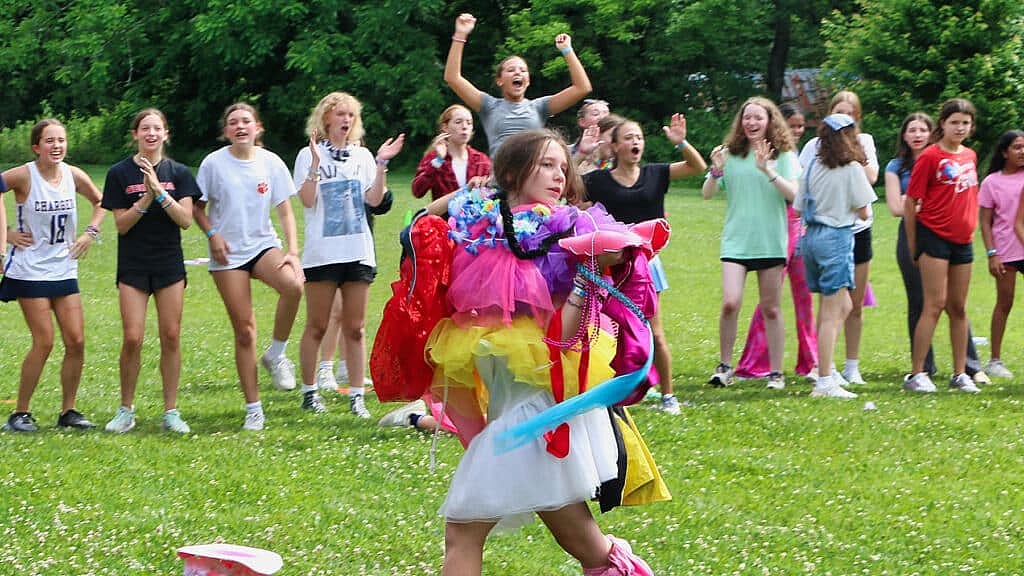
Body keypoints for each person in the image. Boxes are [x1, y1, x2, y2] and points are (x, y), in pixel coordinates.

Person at [379, 130, 663, 574]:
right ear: (512, 172)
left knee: (463, 530)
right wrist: (466, 194)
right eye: (546, 164)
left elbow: (561, 341)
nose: (559, 174)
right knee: (583, 542)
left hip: (537, 411)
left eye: (562, 166)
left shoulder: (568, 229)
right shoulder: (479, 226)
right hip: (514, 408)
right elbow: (415, 226)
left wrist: (585, 276)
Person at [583, 115, 707, 414]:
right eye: (627, 137)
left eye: (638, 137)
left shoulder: (655, 174)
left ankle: (668, 396)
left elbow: (697, 167)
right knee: (608, 330)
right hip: (611, 265)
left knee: (655, 331)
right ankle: (613, 393)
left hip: (646, 266)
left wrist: (681, 143)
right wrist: (583, 153)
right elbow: (568, 190)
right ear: (613, 146)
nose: (635, 142)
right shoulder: (598, 181)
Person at [292, 91, 404, 418]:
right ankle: (310, 391)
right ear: (326, 118)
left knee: (355, 328)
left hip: (358, 251)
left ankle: (357, 395)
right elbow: (308, 201)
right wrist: (314, 166)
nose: (345, 120)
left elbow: (373, 201)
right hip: (322, 254)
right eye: (339, 114)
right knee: (317, 324)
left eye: (351, 115)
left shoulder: (363, 157)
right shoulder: (307, 154)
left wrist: (381, 165)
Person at [193, 103, 304, 430]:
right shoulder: (213, 163)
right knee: (244, 332)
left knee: (294, 286)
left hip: (262, 245)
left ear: (258, 128)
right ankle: (254, 408)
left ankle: (276, 354)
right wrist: (212, 235)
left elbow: (285, 211)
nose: (240, 126)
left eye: (246, 121)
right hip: (228, 255)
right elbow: (198, 208)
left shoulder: (270, 162)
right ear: (226, 131)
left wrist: (293, 251)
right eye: (233, 123)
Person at [0, 118, 106, 432]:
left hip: (64, 267)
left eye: (60, 140)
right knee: (44, 341)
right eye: (49, 140)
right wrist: (6, 233)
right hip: (29, 269)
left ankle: (68, 411)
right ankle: (20, 414)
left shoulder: (73, 174)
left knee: (76, 341)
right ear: (36, 147)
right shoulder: (23, 175)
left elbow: (101, 201)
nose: (56, 146)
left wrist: (90, 232)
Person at [101, 108, 201, 434]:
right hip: (133, 265)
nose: (151, 134)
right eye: (145, 129)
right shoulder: (119, 173)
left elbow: (186, 221)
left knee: (171, 336)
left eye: (157, 128)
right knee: (133, 338)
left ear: (165, 133)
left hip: (168, 263)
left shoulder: (180, 172)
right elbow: (121, 225)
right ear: (135, 134)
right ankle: (125, 409)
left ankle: (171, 411)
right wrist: (145, 196)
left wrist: (160, 190)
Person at [702, 97, 799, 389]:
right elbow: (707, 193)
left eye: (758, 118)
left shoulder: (783, 155)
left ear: (770, 121)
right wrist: (716, 171)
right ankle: (724, 367)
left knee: (771, 308)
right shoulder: (729, 154)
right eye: (747, 118)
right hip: (736, 242)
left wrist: (767, 169)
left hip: (769, 241)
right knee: (730, 303)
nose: (752, 123)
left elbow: (794, 195)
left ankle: (776, 373)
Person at [885, 112, 988, 386]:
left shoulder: (970, 155)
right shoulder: (930, 157)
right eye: (954, 122)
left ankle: (960, 374)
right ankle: (917, 373)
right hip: (933, 237)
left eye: (965, 123)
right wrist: (912, 243)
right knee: (933, 304)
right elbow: (909, 204)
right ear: (942, 124)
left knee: (958, 307)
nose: (960, 127)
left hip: (963, 240)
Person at [793, 113, 876, 398]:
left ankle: (827, 370)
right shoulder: (852, 168)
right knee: (832, 312)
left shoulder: (813, 165)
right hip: (836, 237)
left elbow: (798, 206)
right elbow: (864, 211)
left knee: (841, 306)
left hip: (811, 238)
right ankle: (824, 379)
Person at [735, 102, 817, 380]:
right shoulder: (763, 154)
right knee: (769, 301)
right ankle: (753, 362)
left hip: (799, 228)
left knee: (804, 298)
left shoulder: (789, 156)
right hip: (778, 231)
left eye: (800, 127)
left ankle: (811, 361)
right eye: (791, 125)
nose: (796, 131)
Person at [444, 13, 592, 157]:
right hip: (501, 180)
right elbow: (452, 78)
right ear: (499, 80)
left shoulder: (539, 107)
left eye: (523, 70)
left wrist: (567, 49)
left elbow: (582, 87)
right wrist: (460, 35)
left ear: (527, 81)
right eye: (511, 70)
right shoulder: (488, 106)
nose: (518, 73)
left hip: (532, 179)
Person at [981, 130, 1024, 378]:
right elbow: (985, 222)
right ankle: (994, 360)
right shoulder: (992, 182)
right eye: (1017, 147)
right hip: (1006, 250)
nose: (1022, 151)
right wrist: (991, 253)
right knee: (1005, 303)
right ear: (1004, 151)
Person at [412, 104, 491, 201]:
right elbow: (417, 191)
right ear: (445, 127)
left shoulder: (481, 160)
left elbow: (491, 193)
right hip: (443, 216)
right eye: (458, 122)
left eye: (469, 123)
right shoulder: (435, 158)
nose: (464, 126)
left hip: (476, 215)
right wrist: (438, 161)